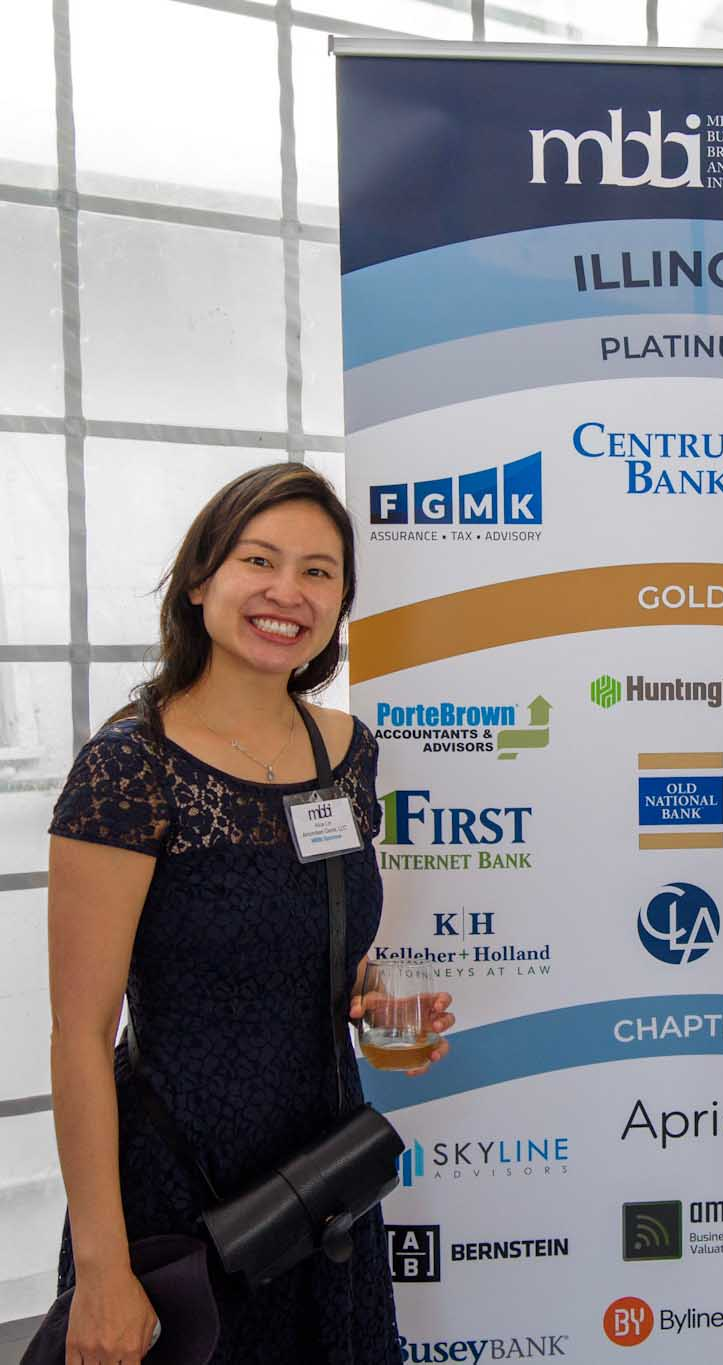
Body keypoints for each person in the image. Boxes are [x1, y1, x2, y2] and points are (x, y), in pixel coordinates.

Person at [47, 464, 454, 1365]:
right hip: (180, 1191)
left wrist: (378, 1007)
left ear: (340, 601)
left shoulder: (345, 749)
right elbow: (78, 1035)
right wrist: (103, 1271)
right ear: (200, 581)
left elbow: (313, 946)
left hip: (323, 1182)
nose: (287, 591)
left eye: (318, 571)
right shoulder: (130, 767)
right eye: (259, 560)